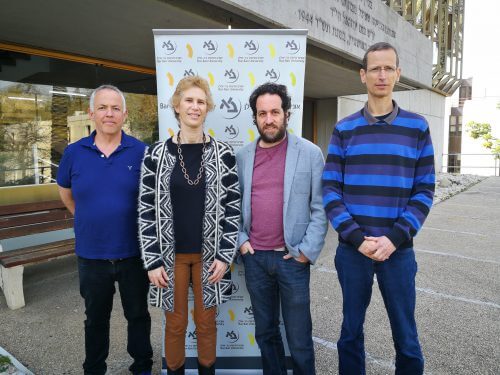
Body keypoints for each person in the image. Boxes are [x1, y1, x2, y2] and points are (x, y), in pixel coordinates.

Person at [322, 42, 435, 375]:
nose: (382, 75)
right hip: (353, 251)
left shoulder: (417, 127)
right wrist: (358, 239)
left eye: (388, 68)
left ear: (398, 74)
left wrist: (393, 239)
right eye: (375, 68)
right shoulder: (344, 129)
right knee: (350, 333)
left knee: (407, 339)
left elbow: (425, 189)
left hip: (397, 252)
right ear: (363, 75)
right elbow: (330, 189)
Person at [138, 76, 240, 375]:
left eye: (200, 102)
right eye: (189, 100)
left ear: (207, 108)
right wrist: (152, 260)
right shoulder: (155, 155)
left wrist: (225, 255)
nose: (195, 107)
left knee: (207, 322)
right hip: (172, 257)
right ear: (177, 106)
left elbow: (232, 208)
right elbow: (145, 210)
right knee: (175, 323)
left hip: (210, 256)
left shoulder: (224, 154)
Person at [57, 84, 153, 375]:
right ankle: (94, 369)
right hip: (91, 256)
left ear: (124, 114)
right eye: (102, 107)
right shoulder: (74, 153)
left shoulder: (142, 152)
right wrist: (92, 219)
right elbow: (67, 196)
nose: (108, 114)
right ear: (91, 113)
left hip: (133, 254)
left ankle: (142, 367)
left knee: (137, 316)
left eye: (115, 108)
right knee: (95, 319)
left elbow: (151, 200)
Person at [236, 82, 328, 375]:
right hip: (255, 260)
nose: (269, 119)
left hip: (292, 260)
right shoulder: (242, 157)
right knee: (265, 334)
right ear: (255, 118)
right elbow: (231, 205)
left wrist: (306, 251)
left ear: (287, 114)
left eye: (275, 112)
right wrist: (241, 241)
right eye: (262, 113)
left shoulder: (310, 154)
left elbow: (320, 206)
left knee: (299, 339)